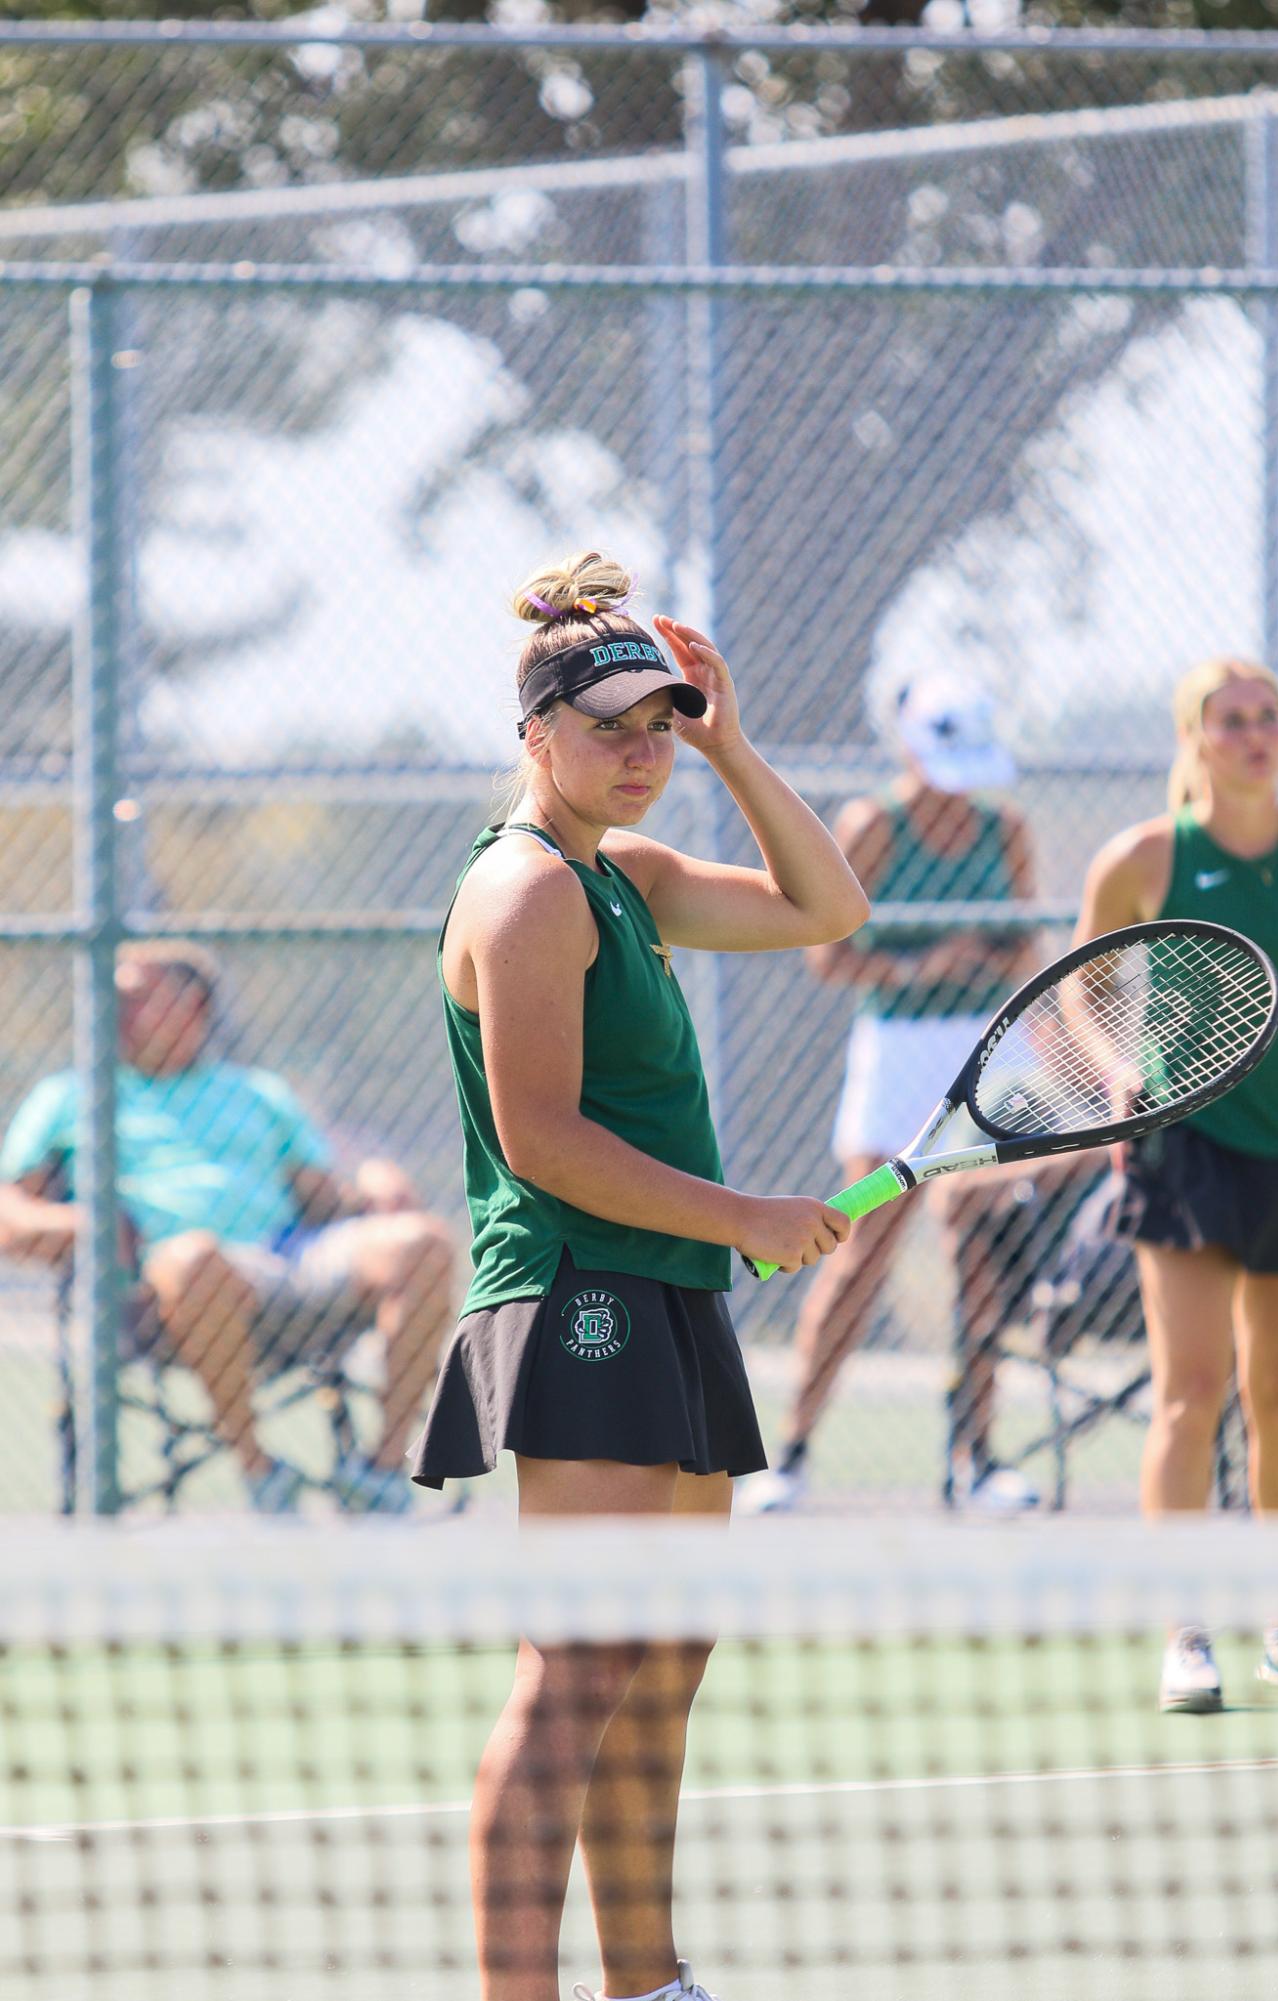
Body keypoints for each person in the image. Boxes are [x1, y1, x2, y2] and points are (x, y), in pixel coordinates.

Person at [408, 550, 866, 2001]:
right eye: (611, 726)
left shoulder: (629, 880)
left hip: (666, 1288)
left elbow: (825, 907)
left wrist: (731, 742)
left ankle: (647, 1982)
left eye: (657, 724)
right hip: (577, 1292)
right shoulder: (526, 893)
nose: (639, 751)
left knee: (661, 1660)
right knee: (580, 1670)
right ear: (534, 734)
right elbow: (541, 1143)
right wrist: (740, 1213)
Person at [1075, 656, 1278, 1710]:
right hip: (1180, 1151)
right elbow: (1084, 996)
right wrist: (1115, 1070)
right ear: (1193, 738)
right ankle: (1183, 1631)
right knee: (1190, 1393)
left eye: (1266, 717)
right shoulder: (1140, 858)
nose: (1252, 735)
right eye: (1228, 721)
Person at [737, 670, 1049, 1516]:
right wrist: (919, 966)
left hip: (987, 1052)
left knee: (981, 1250)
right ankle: (791, 1454)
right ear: (908, 749)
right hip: (897, 1052)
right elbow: (827, 953)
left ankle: (975, 1459)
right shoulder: (872, 825)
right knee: (861, 1247)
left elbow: (1025, 943)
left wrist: (1001, 970)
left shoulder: (1005, 827)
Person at [0, 939, 455, 1513]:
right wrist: (79, 1223)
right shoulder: (69, 1096)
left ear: (193, 1009)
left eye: (135, 998)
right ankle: (260, 1472)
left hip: (286, 1266)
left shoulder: (258, 1092)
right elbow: (10, 1213)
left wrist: (372, 1184)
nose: (112, 1009)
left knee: (422, 1242)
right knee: (195, 1258)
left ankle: (385, 1472)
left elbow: (326, 1197)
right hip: (157, 1291)